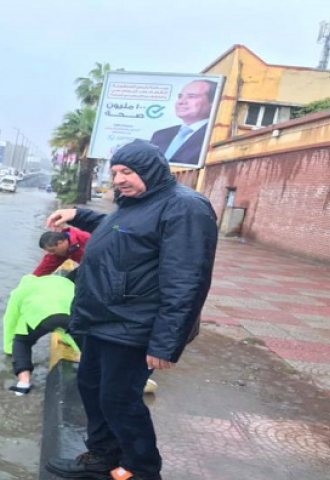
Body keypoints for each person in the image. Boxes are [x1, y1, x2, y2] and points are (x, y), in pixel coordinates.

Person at [44, 140, 218, 480]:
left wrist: (166, 343)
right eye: (115, 173)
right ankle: (103, 456)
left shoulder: (186, 208)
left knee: (119, 400)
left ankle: (141, 469)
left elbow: (188, 280)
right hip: (104, 319)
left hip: (136, 325)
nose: (120, 179)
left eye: (128, 172)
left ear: (152, 170)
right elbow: (125, 231)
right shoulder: (138, 201)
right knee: (92, 388)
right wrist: (80, 215)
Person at [3, 273, 80, 395]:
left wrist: (9, 348)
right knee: (78, 336)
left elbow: (10, 320)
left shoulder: (20, 291)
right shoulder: (63, 282)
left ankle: (24, 382)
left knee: (22, 341)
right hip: (70, 313)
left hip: (40, 317)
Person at [149, 79, 216, 165]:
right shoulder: (160, 135)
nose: (181, 102)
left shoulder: (214, 134)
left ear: (213, 102)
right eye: (180, 96)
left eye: (192, 96)